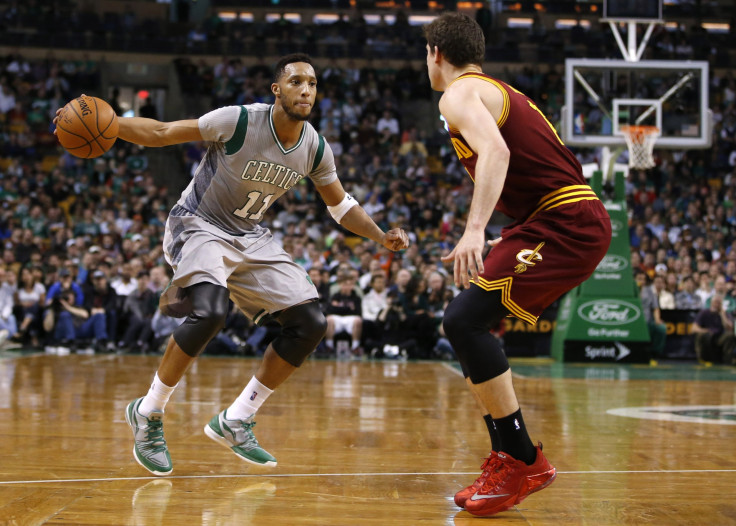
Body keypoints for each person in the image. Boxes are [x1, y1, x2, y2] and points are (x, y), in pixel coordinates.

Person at [56, 53, 409, 476]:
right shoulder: (240, 121)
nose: (306, 90)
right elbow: (164, 131)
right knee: (211, 312)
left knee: (311, 323)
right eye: (296, 81)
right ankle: (148, 412)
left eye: (313, 83)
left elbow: (341, 206)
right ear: (277, 89)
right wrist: (106, 123)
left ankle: (236, 419)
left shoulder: (314, 146)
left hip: (250, 236)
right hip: (198, 223)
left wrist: (379, 234)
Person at [423, 13, 611, 517]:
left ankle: (522, 460)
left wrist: (472, 229)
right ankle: (512, 457)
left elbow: (497, 152)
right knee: (465, 323)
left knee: (465, 319)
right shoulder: (493, 89)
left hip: (565, 219)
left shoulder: (459, 93)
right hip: (547, 219)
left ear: (435, 53)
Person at [691, 294, 736, 364]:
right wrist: (706, 331)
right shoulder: (704, 312)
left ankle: (727, 360)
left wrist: (722, 315)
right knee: (702, 335)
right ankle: (703, 359)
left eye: (719, 302)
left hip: (719, 337)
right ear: (711, 302)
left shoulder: (724, 313)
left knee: (730, 335)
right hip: (708, 335)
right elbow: (694, 328)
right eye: (715, 302)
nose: (717, 304)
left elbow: (730, 328)